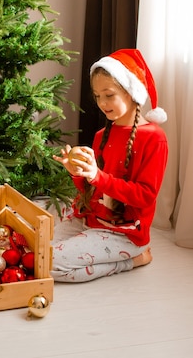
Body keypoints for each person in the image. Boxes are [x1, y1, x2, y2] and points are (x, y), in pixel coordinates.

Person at [52, 49, 168, 282]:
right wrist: (78, 173)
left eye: (109, 95)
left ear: (132, 93)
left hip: (124, 233)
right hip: (91, 220)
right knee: (38, 251)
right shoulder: (101, 136)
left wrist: (97, 176)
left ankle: (134, 259)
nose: (102, 103)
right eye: (97, 96)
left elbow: (145, 196)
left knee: (50, 264)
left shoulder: (154, 138)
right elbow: (92, 190)